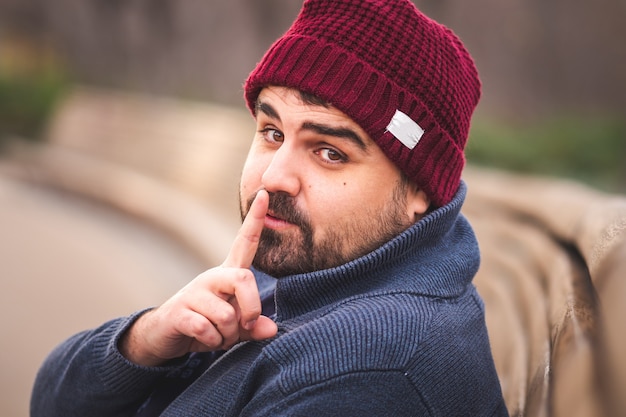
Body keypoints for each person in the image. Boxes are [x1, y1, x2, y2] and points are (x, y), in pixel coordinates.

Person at [31, 0, 508, 415]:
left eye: (330, 152)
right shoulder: (306, 271)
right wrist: (146, 342)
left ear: (419, 189)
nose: (274, 176)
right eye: (273, 132)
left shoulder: (367, 369)